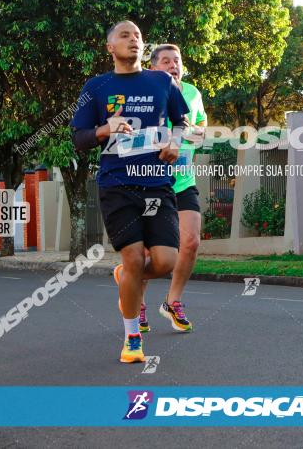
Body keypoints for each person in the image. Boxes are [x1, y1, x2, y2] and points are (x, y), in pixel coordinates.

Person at [71, 20, 189, 363]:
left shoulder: (161, 81)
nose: (134, 40)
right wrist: (104, 129)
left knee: (166, 261)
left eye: (137, 35)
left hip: (156, 180)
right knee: (135, 256)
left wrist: (175, 143)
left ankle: (126, 277)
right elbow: (78, 138)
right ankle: (132, 339)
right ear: (110, 47)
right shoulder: (97, 86)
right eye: (125, 36)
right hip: (117, 185)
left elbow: (181, 121)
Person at [139, 44, 207, 333]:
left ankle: (172, 302)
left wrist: (185, 132)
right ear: (153, 68)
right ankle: (136, 304)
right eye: (165, 61)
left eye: (176, 60)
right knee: (145, 252)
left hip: (182, 180)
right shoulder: (142, 93)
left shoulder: (192, 93)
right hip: (148, 180)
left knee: (190, 242)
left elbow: (201, 132)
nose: (172, 65)